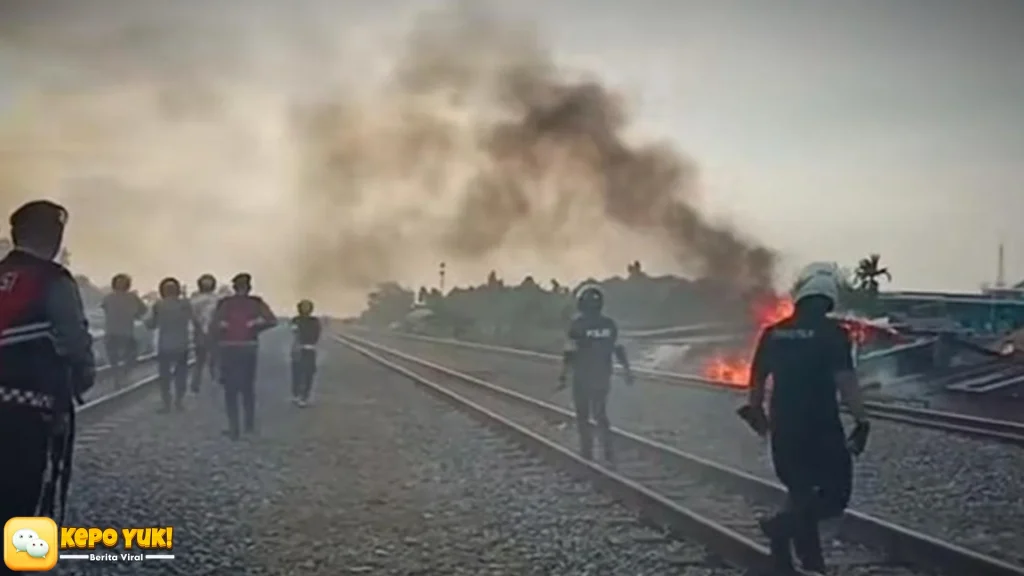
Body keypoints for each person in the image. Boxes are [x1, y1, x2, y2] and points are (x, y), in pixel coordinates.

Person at [736, 262, 871, 576]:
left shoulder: (773, 334)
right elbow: (846, 381)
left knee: (800, 492)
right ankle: (781, 527)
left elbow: (757, 377)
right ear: (828, 301)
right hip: (822, 426)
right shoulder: (833, 335)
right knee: (835, 495)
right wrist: (861, 420)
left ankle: (807, 562)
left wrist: (755, 410)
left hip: (784, 425)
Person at [0, 200, 94, 539]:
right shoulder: (54, 280)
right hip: (28, 411)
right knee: (24, 500)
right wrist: (82, 378)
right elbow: (74, 340)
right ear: (54, 237)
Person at [557, 283, 633, 463]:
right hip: (602, 376)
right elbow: (618, 349)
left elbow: (570, 353)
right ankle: (608, 452)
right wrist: (627, 371)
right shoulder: (609, 325)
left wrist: (563, 375)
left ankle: (587, 452)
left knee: (583, 415)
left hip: (582, 377)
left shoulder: (577, 325)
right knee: (600, 414)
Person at [209, 273, 276, 439]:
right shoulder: (255, 303)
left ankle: (235, 428)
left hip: (231, 348)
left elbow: (214, 325)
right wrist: (256, 326)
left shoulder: (225, 303)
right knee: (246, 388)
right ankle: (247, 425)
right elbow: (271, 320)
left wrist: (222, 327)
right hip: (246, 347)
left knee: (231, 390)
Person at [146, 277, 202, 412]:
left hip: (164, 345)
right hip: (182, 344)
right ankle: (179, 401)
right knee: (181, 374)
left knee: (164, 376)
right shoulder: (185, 304)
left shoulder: (158, 305)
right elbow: (195, 321)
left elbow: (151, 324)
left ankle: (166, 404)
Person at [100, 273, 146, 388]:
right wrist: (135, 314)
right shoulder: (132, 297)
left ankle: (118, 377)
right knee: (131, 355)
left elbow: (105, 309)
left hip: (112, 331)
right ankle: (123, 375)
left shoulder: (108, 297)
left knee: (114, 358)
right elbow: (143, 310)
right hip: (125, 332)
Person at [190, 273, 219, 393]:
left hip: (201, 332)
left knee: (200, 360)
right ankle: (213, 381)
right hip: (212, 333)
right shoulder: (217, 299)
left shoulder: (194, 299)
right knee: (213, 360)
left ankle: (196, 384)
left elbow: (192, 316)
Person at [290, 299, 322, 407]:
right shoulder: (295, 320)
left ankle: (304, 396)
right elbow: (295, 333)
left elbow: (317, 334)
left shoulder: (314, 321)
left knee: (309, 373)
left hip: (310, 349)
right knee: (297, 373)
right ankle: (297, 394)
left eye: (307, 307)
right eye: (303, 307)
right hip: (299, 349)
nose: (305, 309)